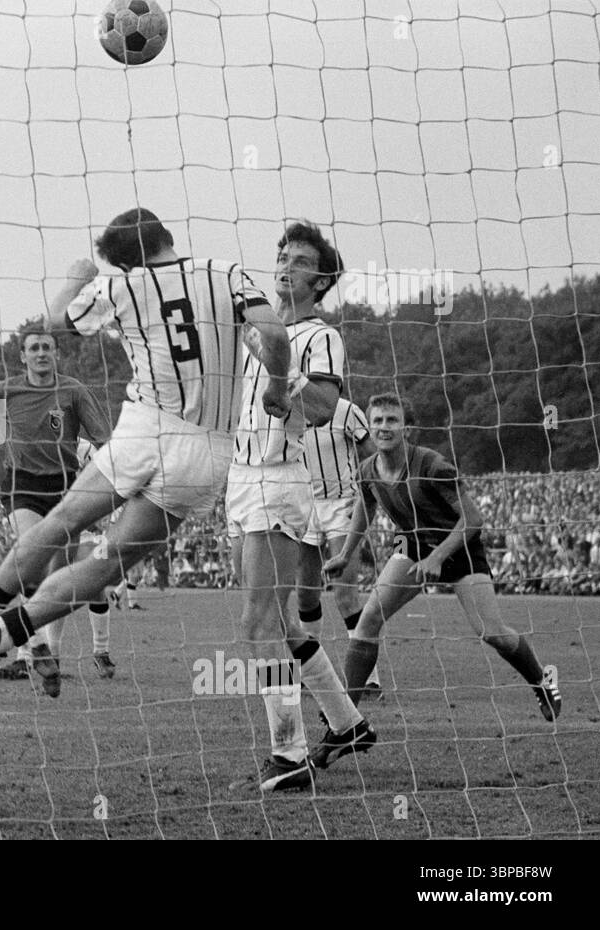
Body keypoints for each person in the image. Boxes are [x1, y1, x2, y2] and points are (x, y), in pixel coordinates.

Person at [0, 207, 292, 700]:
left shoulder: (125, 287)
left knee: (63, 521)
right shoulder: (228, 273)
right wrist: (278, 388)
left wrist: (75, 279)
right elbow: (276, 336)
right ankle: (1, 633)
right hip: (216, 456)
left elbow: (54, 326)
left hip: (148, 430)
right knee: (109, 566)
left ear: (128, 263)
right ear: (165, 236)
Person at [224, 221, 374, 792]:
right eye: (283, 255)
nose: (287, 264)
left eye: (302, 260)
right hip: (241, 478)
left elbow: (323, 406)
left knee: (256, 624)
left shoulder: (319, 336)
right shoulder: (256, 329)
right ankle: (347, 722)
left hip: (279, 479)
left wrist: (280, 374)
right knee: (283, 623)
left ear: (322, 280)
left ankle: (289, 756)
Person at [323, 393, 562, 734]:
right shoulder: (367, 470)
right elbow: (366, 507)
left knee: (492, 633)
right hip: (413, 546)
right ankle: (345, 719)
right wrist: (345, 554)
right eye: (377, 421)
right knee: (369, 619)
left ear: (408, 427)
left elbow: (474, 518)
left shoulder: (432, 465)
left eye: (392, 420)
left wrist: (438, 556)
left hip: (459, 549)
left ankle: (542, 681)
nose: (384, 427)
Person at [0, 336, 116, 684]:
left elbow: (105, 441)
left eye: (47, 347)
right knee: (31, 557)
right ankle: (33, 648)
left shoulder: (74, 391)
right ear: (23, 356)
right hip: (21, 485)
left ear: (56, 354)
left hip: (66, 489)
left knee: (63, 579)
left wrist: (114, 482)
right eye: (34, 348)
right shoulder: (6, 390)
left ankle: (47, 651)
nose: (41, 353)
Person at [297, 397, 381, 697]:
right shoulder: (289, 407)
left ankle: (369, 680)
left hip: (341, 505)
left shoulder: (345, 409)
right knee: (305, 596)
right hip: (304, 505)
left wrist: (368, 496)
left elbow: (373, 455)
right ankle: (309, 674)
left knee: (346, 595)